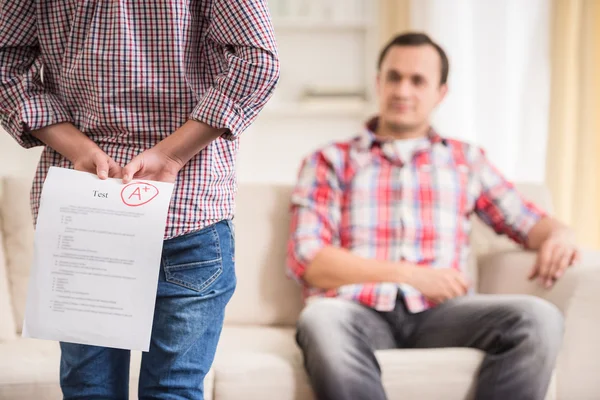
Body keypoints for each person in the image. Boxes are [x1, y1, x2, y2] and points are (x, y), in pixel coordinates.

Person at [0, 1, 279, 399]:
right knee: (173, 391)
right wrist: (171, 154)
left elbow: (4, 66)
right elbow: (258, 62)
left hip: (85, 205)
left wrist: (79, 149)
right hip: (188, 204)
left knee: (88, 390)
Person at [286, 32, 579, 400]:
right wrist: (411, 274)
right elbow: (308, 258)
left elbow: (529, 222)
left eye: (418, 80)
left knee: (540, 319)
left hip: (444, 315)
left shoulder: (466, 160)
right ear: (378, 82)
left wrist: (561, 232)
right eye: (394, 77)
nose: (403, 90)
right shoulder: (330, 160)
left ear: (441, 92)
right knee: (320, 319)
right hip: (357, 312)